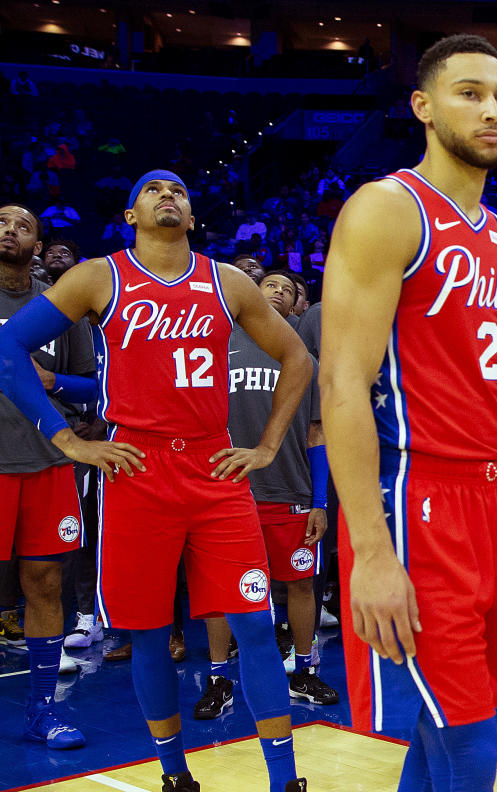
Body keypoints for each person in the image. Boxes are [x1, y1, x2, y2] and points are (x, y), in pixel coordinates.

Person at [0, 171, 313, 792]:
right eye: (153, 190)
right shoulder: (97, 276)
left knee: (253, 623)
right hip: (136, 470)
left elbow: (299, 360)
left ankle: (285, 780)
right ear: (130, 213)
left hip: (214, 466)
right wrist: (66, 441)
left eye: (178, 191)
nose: (168, 195)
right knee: (145, 634)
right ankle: (174, 774)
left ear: (192, 217)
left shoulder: (229, 282)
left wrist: (270, 444)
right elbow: (10, 348)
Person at [318, 35, 497, 792]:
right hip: (417, 498)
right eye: (470, 93)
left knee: (451, 717)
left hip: (489, 502)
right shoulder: (386, 209)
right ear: (421, 106)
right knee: (469, 737)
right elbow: (342, 384)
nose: (492, 110)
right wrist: (372, 552)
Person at [194, 270, 338, 722]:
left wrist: (319, 499)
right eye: (268, 285)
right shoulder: (217, 345)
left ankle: (303, 670)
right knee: (219, 590)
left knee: (299, 583)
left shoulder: (305, 359)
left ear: (298, 305)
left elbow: (317, 432)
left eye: (287, 289)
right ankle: (219, 678)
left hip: (290, 489)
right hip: (225, 490)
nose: (276, 291)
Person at [0, 204, 95, 750]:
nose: (10, 230)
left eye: (22, 226)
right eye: (2, 222)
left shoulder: (62, 306)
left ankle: (42, 710)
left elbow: (92, 384)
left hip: (48, 464)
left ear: (38, 246)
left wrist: (53, 380)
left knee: (45, 583)